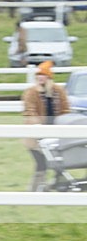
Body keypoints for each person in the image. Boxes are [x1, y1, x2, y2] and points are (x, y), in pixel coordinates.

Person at [22, 61, 70, 191]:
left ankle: (57, 185)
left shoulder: (58, 92)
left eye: (43, 75)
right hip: (36, 136)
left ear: (49, 77)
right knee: (41, 163)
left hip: (56, 134)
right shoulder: (31, 93)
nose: (40, 77)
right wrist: (38, 126)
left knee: (59, 161)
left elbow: (65, 110)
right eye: (38, 75)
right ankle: (35, 189)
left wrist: (62, 124)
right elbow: (29, 111)